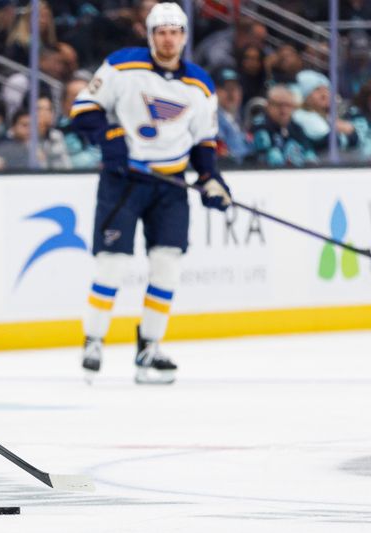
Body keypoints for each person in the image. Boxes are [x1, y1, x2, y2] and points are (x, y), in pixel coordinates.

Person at [70, 2, 231, 385]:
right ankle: (94, 339)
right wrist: (110, 139)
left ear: (184, 36)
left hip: (170, 185)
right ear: (150, 34)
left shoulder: (200, 84)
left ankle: (149, 349)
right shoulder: (122, 66)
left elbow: (204, 141)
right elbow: (84, 110)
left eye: (175, 31)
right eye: (161, 31)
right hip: (123, 180)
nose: (168, 38)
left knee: (167, 266)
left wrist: (210, 178)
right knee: (112, 262)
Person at [251, 85, 317, 167]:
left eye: (288, 105)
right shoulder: (260, 126)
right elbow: (262, 156)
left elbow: (309, 152)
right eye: (279, 105)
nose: (284, 110)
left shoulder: (295, 127)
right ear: (268, 106)